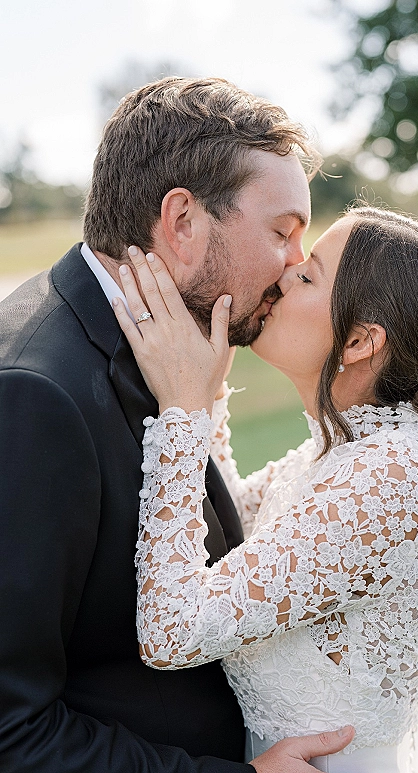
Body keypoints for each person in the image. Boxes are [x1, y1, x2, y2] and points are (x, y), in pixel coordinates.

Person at [115, 205, 418, 773]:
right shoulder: (345, 454)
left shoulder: (390, 479)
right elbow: (229, 523)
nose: (283, 275)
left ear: (361, 341)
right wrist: (207, 391)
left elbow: (171, 630)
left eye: (308, 276)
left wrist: (182, 412)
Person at [0, 77, 355, 773]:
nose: (293, 265)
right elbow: (12, 730)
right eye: (282, 232)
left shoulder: (171, 355)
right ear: (183, 222)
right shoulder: (36, 398)